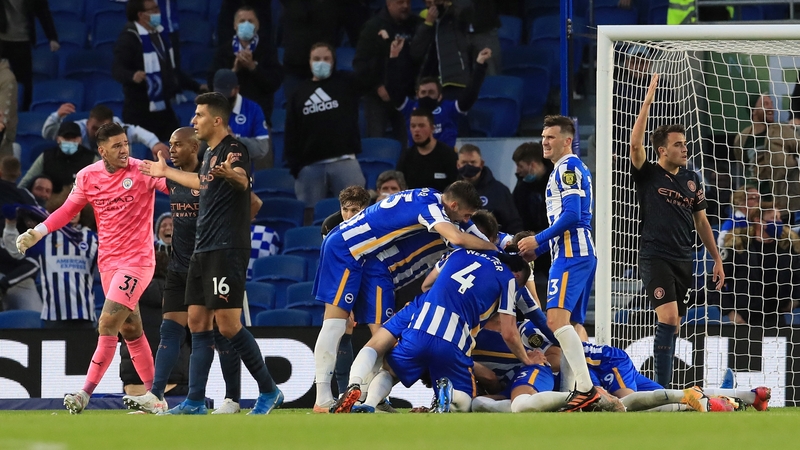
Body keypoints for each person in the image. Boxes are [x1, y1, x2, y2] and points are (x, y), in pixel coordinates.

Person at [138, 92, 283, 415]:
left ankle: (269, 390)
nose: (194, 120)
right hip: (202, 250)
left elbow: (242, 180)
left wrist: (232, 175)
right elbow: (202, 184)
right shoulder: (209, 155)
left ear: (217, 120)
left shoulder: (234, 149)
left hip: (225, 248)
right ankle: (194, 401)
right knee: (197, 321)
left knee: (228, 325)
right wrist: (165, 173)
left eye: (199, 115)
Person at [15, 123, 169, 414]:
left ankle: (84, 393)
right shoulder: (88, 176)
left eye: (126, 144)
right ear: (102, 151)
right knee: (131, 328)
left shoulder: (143, 170)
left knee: (107, 323)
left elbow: (175, 187)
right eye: (117, 146)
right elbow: (67, 211)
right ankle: (157, 400)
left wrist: (177, 172)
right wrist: (37, 231)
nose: (124, 150)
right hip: (108, 263)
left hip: (138, 261)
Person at [312, 181, 498, 412]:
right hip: (346, 248)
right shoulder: (431, 208)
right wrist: (492, 251)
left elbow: (474, 232)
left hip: (365, 259)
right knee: (335, 325)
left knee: (377, 334)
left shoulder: (432, 199)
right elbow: (459, 238)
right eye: (465, 214)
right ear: (453, 205)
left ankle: (372, 398)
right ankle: (322, 398)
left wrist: (501, 247)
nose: (465, 220)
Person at [124, 127, 247, 414]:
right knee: (170, 331)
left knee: (221, 332)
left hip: (211, 266)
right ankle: (156, 395)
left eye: (177, 145)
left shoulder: (211, 175)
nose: (171, 150)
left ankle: (231, 399)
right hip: (180, 267)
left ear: (194, 147)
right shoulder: (171, 179)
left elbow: (251, 202)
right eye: (170, 145)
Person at [333, 249, 533, 414]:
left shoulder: (459, 253)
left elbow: (427, 284)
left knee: (391, 370)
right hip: (454, 339)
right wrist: (527, 359)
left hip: (421, 323)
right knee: (465, 404)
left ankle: (368, 402)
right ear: (516, 276)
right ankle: (448, 397)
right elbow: (509, 332)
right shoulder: (508, 279)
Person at [628, 74, 724, 389]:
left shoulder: (692, 178)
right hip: (655, 254)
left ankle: (663, 389)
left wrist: (716, 258)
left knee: (675, 323)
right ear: (662, 150)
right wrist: (648, 100)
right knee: (668, 317)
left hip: (685, 257)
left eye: (685, 143)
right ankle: (661, 390)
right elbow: (634, 143)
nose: (684, 149)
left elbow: (702, 221)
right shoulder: (647, 173)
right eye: (678, 145)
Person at [517, 115, 599, 412]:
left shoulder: (568, 166)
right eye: (543, 137)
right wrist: (540, 251)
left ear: (567, 140)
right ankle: (572, 390)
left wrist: (538, 240)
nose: (544, 142)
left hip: (572, 255)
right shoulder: (565, 169)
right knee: (572, 326)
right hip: (576, 253)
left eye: (550, 137)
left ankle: (586, 388)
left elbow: (573, 215)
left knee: (555, 322)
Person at [284, 42, 366, 209]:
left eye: (326, 58)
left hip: (345, 161)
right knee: (309, 216)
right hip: (309, 167)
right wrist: (295, 167)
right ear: (309, 61)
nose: (321, 62)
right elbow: (291, 131)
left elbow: (370, 77)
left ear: (333, 61)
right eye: (316, 58)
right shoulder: (298, 93)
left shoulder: (346, 83)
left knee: (357, 214)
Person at [113, 0, 205, 141]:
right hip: (140, 110)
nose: (158, 12)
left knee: (178, 145)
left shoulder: (160, 35)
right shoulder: (129, 38)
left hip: (163, 107)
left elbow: (171, 72)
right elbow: (117, 69)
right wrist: (132, 75)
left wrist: (197, 87)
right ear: (141, 15)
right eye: (154, 10)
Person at [4, 206, 97, 328]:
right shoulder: (45, 237)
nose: (74, 212)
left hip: (85, 315)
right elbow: (16, 251)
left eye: (77, 208)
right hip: (53, 316)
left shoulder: (92, 238)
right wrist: (10, 225)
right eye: (69, 208)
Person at [387, 37, 489, 148]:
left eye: (431, 92)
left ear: (440, 96)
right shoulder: (410, 109)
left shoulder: (449, 109)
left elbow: (470, 94)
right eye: (423, 92)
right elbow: (392, 88)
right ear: (417, 95)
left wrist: (479, 65)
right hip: (418, 161)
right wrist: (393, 56)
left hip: (444, 161)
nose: (426, 95)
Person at [353, 0, 422, 145]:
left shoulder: (416, 24)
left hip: (406, 96)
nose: (405, 6)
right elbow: (360, 64)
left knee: (409, 143)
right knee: (376, 141)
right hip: (378, 98)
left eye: (408, 2)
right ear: (389, 4)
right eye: (400, 2)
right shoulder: (373, 27)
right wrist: (377, 86)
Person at [721, 206, 800, 326]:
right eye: (773, 218)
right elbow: (714, 282)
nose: (778, 222)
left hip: (776, 319)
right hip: (744, 320)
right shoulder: (738, 248)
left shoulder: (787, 248)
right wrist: (730, 312)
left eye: (779, 218)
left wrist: (796, 300)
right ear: (758, 221)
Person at [208, 6, 283, 124]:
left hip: (259, 118)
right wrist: (233, 71)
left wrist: (253, 67)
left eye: (250, 21)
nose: (246, 24)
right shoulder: (224, 51)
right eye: (242, 21)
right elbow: (213, 84)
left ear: (257, 25)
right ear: (235, 25)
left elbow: (274, 82)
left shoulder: (267, 50)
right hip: (228, 119)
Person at [732, 94, 800, 215]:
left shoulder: (782, 130)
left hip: (783, 203)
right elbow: (743, 163)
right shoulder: (742, 138)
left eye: (771, 104)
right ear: (753, 111)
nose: (771, 108)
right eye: (765, 104)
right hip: (755, 205)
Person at [42, 104, 169, 157]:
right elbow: (48, 134)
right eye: (94, 128)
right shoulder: (76, 129)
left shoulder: (117, 130)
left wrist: (155, 143)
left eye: (102, 129)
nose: (98, 133)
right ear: (88, 123)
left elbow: (137, 132)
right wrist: (56, 116)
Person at [0, 0, 59, 111]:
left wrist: (52, 37)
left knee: (24, 81)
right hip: (1, 39)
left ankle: (24, 110)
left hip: (22, 40)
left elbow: (43, 12)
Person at [409, 1, 473, 99]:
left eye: (435, 1)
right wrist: (428, 23)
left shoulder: (454, 17)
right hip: (428, 82)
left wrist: (448, 4)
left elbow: (467, 7)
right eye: (429, 3)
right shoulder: (422, 20)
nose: (432, 6)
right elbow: (415, 52)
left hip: (453, 81)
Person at [457, 144, 522, 234]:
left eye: (473, 162)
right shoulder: (452, 192)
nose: (469, 166)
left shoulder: (500, 191)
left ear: (481, 164)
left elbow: (513, 224)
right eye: (464, 163)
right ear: (458, 165)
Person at [19, 122, 97, 195]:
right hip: (50, 202)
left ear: (80, 140)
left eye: (74, 138)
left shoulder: (91, 159)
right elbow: (26, 182)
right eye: (66, 138)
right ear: (58, 139)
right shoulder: (47, 156)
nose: (70, 141)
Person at [211, 69, 270, 163]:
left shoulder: (253, 109)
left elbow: (262, 148)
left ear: (236, 89)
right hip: (210, 173)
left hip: (241, 173)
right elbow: (191, 145)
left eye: (226, 94)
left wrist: (234, 140)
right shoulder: (205, 107)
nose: (222, 99)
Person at [396, 108, 457, 192]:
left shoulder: (447, 154)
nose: (416, 130)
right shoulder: (407, 156)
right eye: (413, 126)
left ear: (432, 128)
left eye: (421, 125)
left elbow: (456, 187)